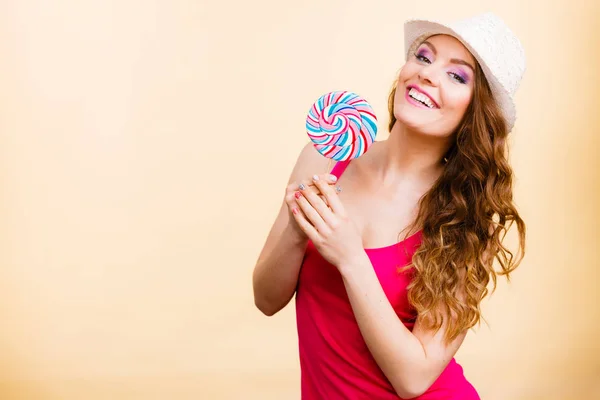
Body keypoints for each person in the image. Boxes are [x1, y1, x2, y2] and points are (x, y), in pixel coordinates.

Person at [252, 12, 526, 400]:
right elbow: (265, 299)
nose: (428, 74)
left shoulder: (467, 216)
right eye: (425, 57)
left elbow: (414, 380)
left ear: (475, 113)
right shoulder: (323, 160)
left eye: (456, 76)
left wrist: (349, 257)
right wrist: (298, 232)